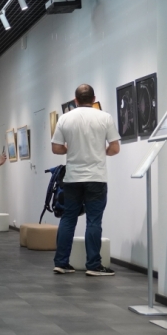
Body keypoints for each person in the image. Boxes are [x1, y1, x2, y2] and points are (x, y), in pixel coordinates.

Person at [52, 84, 120, 276]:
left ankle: (61, 263)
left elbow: (56, 148)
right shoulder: (105, 117)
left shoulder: (65, 118)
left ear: (75, 100)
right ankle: (93, 265)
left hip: (72, 177)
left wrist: (71, 149)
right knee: (94, 221)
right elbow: (115, 148)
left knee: (68, 218)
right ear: (94, 98)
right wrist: (101, 152)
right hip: (96, 177)